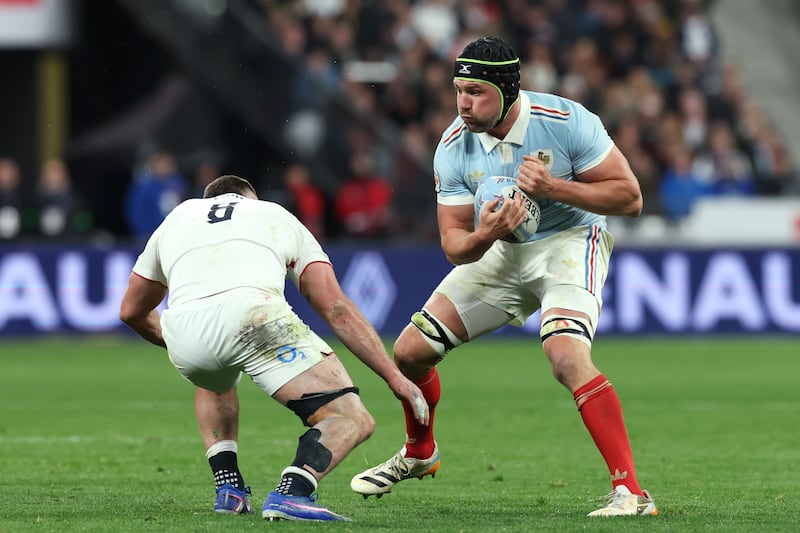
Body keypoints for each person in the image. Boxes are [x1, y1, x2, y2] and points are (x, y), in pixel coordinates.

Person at [349, 36, 658, 517]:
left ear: (508, 90)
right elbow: (454, 244)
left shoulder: (566, 121)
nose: (463, 104)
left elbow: (630, 198)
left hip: (569, 244)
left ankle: (632, 494)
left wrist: (554, 187)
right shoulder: (452, 145)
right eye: (458, 90)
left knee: (565, 356)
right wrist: (487, 233)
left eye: (476, 92)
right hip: (498, 250)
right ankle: (419, 452)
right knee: (410, 352)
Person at [119, 174, 428, 522]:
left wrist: (178, 343)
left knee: (216, 377)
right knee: (350, 417)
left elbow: (130, 311)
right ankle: (292, 493)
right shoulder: (272, 213)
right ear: (250, 198)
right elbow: (335, 308)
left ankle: (229, 489)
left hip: (183, 332)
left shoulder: (176, 218)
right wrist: (393, 377)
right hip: (253, 316)